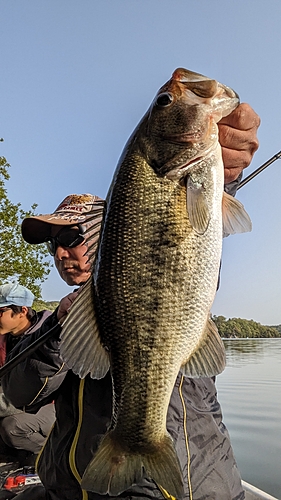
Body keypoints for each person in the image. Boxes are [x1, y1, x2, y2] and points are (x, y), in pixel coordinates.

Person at [1, 103, 260, 500]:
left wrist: (221, 178)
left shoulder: (159, 263)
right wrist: (59, 329)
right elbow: (21, 395)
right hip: (71, 485)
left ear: (108, 232)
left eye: (71, 238)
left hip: (175, 489)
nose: (61, 253)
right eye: (53, 244)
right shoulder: (50, 322)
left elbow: (185, 235)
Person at [0, 282, 56, 467]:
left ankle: (52, 458)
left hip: (50, 406)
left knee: (12, 428)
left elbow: (36, 393)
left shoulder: (48, 339)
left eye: (0, 312)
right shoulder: (4, 338)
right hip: (11, 402)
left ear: (23, 310)